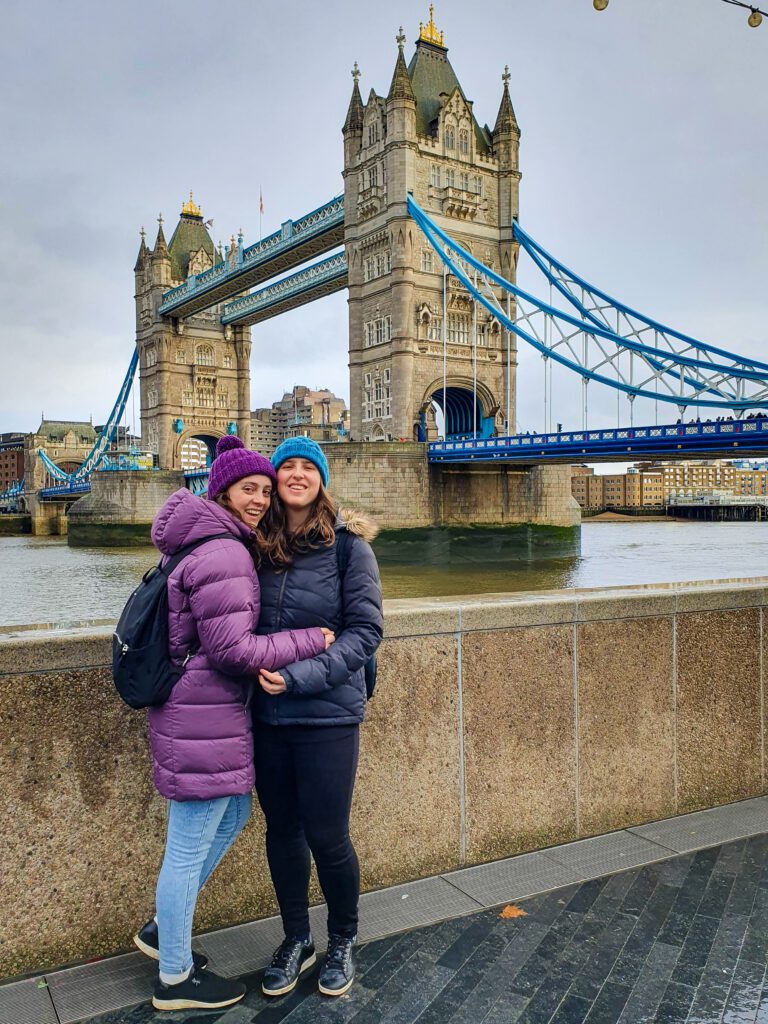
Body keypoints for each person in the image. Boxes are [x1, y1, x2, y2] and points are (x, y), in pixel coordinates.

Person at [133, 436, 333, 1013]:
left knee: (235, 814)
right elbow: (231, 648)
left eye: (265, 491)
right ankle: (173, 977)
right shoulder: (223, 551)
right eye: (250, 489)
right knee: (187, 846)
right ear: (222, 490)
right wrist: (310, 639)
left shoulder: (202, 537)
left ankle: (161, 933)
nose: (261, 499)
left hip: (197, 713)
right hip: (203, 715)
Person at [253, 436, 383, 999]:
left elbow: (366, 633)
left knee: (328, 836)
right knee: (281, 832)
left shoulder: (350, 548)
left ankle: (342, 940)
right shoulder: (252, 544)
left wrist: (300, 675)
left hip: (327, 713)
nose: (299, 475)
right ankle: (296, 938)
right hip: (264, 713)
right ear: (275, 479)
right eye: (288, 467)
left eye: (310, 467)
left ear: (322, 480)